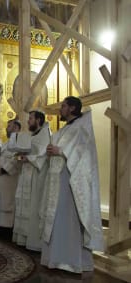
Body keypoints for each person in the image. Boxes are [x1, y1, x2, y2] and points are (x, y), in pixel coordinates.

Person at [40, 96, 104, 273]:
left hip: (71, 184)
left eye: (64, 106)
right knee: (56, 220)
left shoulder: (82, 127)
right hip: (57, 182)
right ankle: (55, 258)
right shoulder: (62, 131)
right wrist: (50, 151)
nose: (61, 109)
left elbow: (84, 154)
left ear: (73, 108)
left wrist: (60, 151)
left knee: (69, 221)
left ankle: (72, 261)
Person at [12, 111, 51, 251]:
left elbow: (43, 155)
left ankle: (34, 241)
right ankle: (23, 238)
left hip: (36, 175)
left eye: (31, 118)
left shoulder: (45, 134)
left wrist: (28, 157)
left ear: (38, 120)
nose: (28, 121)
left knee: (33, 206)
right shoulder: (33, 134)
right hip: (27, 172)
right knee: (24, 204)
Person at [0, 119, 21, 238]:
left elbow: (15, 159)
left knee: (8, 203)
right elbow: (1, 157)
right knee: (0, 202)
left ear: (16, 127)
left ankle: (7, 229)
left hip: (9, 177)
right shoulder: (8, 142)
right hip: (1, 176)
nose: (6, 128)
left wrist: (3, 170)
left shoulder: (18, 141)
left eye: (9, 126)